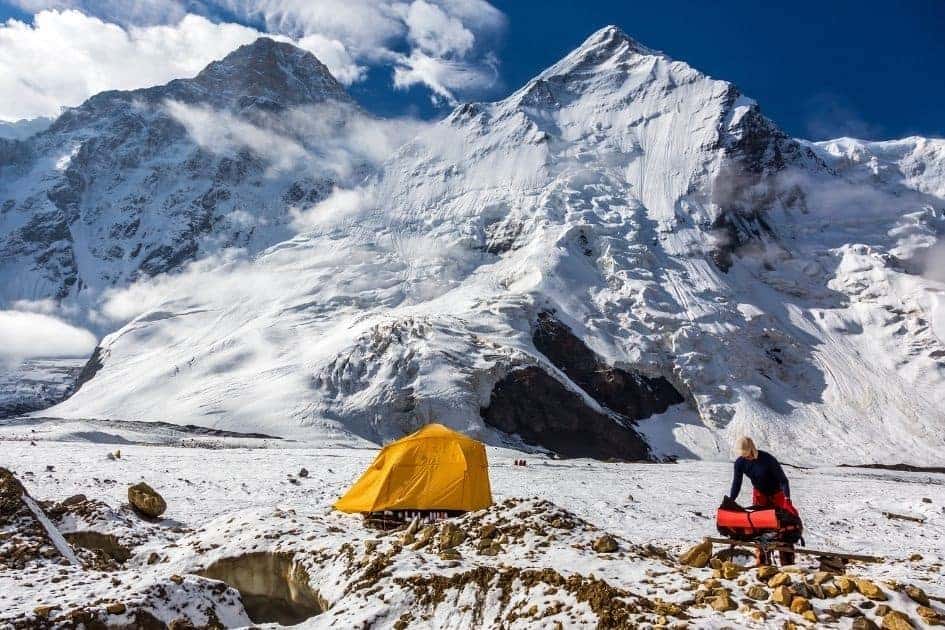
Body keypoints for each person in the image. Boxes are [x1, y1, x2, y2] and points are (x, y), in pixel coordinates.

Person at [728, 436, 799, 565]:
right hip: (760, 496)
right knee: (760, 528)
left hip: (777, 495)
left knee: (781, 529)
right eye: (742, 454)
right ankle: (763, 560)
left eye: (747, 454)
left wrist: (787, 499)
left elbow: (783, 480)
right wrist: (731, 501)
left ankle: (787, 561)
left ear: (752, 449)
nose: (746, 457)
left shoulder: (767, 460)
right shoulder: (740, 463)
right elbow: (736, 483)